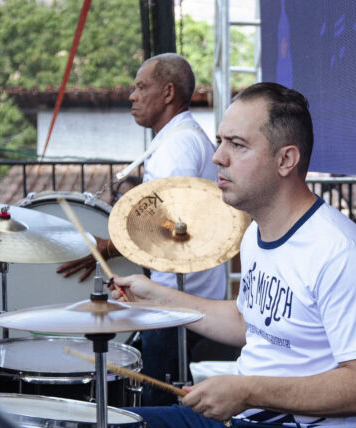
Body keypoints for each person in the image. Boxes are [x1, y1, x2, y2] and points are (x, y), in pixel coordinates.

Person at [110, 83, 356, 428]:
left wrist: (246, 391)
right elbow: (250, 322)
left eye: (237, 144)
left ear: (286, 159)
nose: (217, 157)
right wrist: (156, 297)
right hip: (250, 420)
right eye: (221, 140)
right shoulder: (257, 237)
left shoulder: (341, 252)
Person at [57, 53, 233, 405]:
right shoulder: (175, 138)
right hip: (174, 296)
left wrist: (105, 248)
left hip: (175, 303)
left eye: (141, 87)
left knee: (158, 405)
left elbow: (169, 222)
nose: (131, 96)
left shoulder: (178, 143)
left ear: (168, 92)